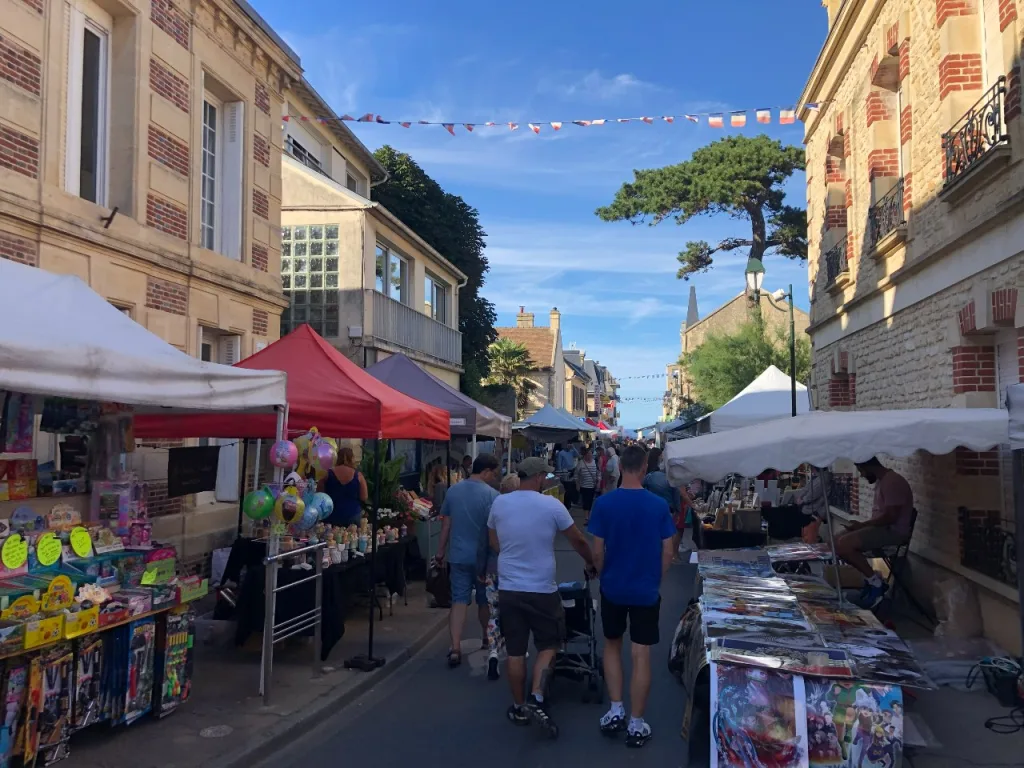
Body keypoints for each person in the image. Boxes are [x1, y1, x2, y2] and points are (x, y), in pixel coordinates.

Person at [488, 457, 596, 738]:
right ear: (536, 478)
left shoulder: (500, 503)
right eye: (545, 477)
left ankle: (519, 704)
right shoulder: (551, 505)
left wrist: (511, 557)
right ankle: (536, 695)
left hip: (510, 587)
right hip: (541, 589)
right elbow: (578, 540)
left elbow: (493, 540)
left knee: (514, 650)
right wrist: (591, 562)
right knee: (550, 644)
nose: (547, 480)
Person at [588, 445, 675, 748]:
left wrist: (602, 571)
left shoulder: (604, 504)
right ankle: (637, 723)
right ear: (644, 468)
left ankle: (615, 709)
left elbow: (597, 550)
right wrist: (657, 576)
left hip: (613, 586)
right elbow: (668, 550)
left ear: (622, 467)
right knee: (641, 653)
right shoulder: (658, 506)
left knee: (612, 646)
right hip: (645, 589)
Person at [435, 454, 501, 667]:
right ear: (487, 471)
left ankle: (455, 647)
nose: (495, 477)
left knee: (459, 600)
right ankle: (485, 637)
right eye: (494, 473)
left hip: (458, 556)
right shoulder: (493, 495)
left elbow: (446, 525)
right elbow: (495, 530)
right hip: (484, 559)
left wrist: (440, 552)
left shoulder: (453, 491)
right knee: (484, 601)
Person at [834, 457, 914, 608]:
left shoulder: (893, 482)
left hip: (893, 532)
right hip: (881, 529)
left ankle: (876, 584)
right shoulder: (883, 481)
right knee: (835, 541)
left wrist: (863, 526)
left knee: (844, 544)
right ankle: (870, 579)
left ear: (868, 466)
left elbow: (890, 517)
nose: (862, 475)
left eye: (861, 470)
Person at [478, 473, 521, 682]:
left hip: (493, 568)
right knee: (515, 612)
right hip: (514, 570)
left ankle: (493, 652)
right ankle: (516, 651)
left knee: (494, 613)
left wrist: (481, 567)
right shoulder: (521, 512)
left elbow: (484, 541)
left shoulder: (493, 509)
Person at [642, 447, 692, 563]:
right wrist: (678, 510)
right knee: (667, 533)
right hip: (668, 509)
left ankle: (654, 554)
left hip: (652, 508)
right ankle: (668, 556)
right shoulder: (670, 479)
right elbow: (676, 495)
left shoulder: (651, 476)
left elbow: (643, 488)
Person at [319, 447, 367, 526]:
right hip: (352, 514)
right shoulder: (358, 475)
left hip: (331, 515)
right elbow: (364, 497)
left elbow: (320, 495)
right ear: (352, 459)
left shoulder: (327, 474)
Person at [575, 446, 600, 524]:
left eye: (590, 454)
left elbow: (599, 473)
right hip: (584, 486)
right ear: (585, 455)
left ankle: (589, 516)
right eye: (588, 454)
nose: (589, 455)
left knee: (590, 501)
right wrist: (577, 484)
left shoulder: (595, 462)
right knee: (586, 501)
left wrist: (598, 482)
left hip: (593, 485)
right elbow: (576, 474)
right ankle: (586, 518)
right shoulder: (581, 463)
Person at [554, 442, 577, 510]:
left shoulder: (572, 451)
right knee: (567, 489)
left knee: (571, 488)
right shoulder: (561, 453)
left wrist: (573, 447)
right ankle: (566, 504)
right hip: (564, 473)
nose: (569, 446)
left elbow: (578, 455)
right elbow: (559, 464)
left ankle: (569, 503)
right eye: (568, 444)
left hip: (572, 471)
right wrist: (560, 473)